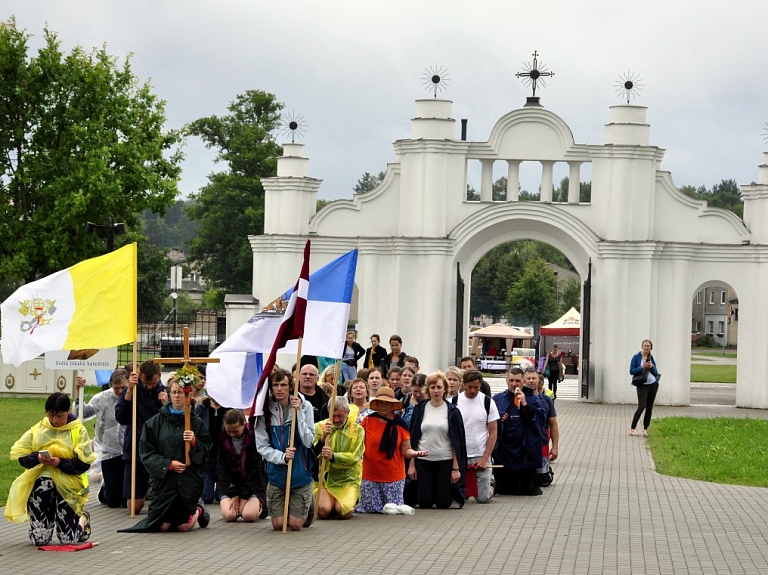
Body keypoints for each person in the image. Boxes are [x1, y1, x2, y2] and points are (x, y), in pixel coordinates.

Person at [120, 377, 213, 532]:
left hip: (186, 482)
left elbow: (207, 451)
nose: (177, 396)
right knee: (161, 526)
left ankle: (198, 509)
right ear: (169, 394)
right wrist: (168, 465)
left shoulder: (195, 422)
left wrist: (195, 442)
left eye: (181, 393)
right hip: (163, 483)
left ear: (187, 395)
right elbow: (146, 453)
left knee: (183, 527)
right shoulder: (155, 422)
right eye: (174, 392)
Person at [6, 392, 96, 545]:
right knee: (39, 541)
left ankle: (82, 520)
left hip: (68, 484)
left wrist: (60, 463)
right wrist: (37, 458)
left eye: (59, 416)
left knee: (68, 540)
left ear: (68, 411)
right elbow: (22, 456)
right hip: (42, 482)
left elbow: (84, 464)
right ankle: (42, 525)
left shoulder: (78, 430)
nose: (54, 420)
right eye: (51, 415)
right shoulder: (39, 429)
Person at [254, 369, 315, 531]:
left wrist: (299, 413)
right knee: (278, 525)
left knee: (295, 525)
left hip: (300, 474)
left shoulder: (305, 406)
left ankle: (307, 505)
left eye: (283, 385)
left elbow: (309, 441)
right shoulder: (264, 411)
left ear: (291, 387)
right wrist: (282, 457)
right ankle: (290, 507)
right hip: (276, 475)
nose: (279, 389)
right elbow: (262, 446)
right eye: (275, 385)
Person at [356, 387, 427, 513]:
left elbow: (406, 450)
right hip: (370, 476)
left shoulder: (401, 424)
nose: (383, 406)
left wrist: (415, 454)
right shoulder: (367, 422)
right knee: (372, 511)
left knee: (393, 510)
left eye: (387, 403)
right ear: (375, 404)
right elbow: (357, 444)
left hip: (393, 477)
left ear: (392, 405)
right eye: (380, 402)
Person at [408, 372, 467, 509]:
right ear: (427, 389)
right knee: (424, 502)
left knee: (443, 503)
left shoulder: (452, 411)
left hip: (444, 460)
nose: (436, 391)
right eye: (432, 387)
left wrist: (455, 468)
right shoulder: (420, 409)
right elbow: (413, 438)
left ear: (445, 389)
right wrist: (412, 464)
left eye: (439, 387)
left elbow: (456, 442)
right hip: (423, 460)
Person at [114, 359, 167, 514]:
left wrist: (166, 404)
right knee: (134, 507)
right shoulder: (132, 390)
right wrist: (129, 391)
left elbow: (172, 421)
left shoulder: (165, 392)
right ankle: (140, 494)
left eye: (153, 383)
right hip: (135, 448)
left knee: (161, 505)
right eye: (146, 382)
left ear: (159, 376)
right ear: (140, 375)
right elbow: (121, 417)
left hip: (157, 449)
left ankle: (154, 494)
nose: (150, 386)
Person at [73, 369, 128, 508]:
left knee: (126, 498)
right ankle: (104, 492)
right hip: (108, 450)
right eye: (116, 388)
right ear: (111, 385)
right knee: (113, 502)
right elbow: (83, 413)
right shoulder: (102, 398)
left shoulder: (133, 397)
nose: (120, 391)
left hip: (128, 448)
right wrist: (79, 393)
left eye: (123, 387)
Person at [492, 367, 546, 496]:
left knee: (526, 486)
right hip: (505, 449)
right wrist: (500, 417)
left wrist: (525, 403)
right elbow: (489, 420)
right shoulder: (498, 399)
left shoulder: (533, 399)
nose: (514, 384)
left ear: (523, 382)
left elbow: (540, 421)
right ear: (506, 381)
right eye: (511, 380)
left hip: (524, 448)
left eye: (517, 381)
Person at [314, 396, 365, 519]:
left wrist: (333, 457)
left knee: (343, 511)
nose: (336, 420)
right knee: (323, 510)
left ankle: (344, 503)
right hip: (325, 480)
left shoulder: (357, 430)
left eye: (340, 416)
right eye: (333, 416)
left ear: (347, 413)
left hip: (348, 479)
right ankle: (326, 503)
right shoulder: (319, 427)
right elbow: (310, 454)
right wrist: (322, 440)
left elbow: (354, 457)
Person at [454, 369, 500, 503]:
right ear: (463, 384)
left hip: (480, 453)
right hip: (460, 455)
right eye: (470, 387)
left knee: (483, 499)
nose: (473, 391)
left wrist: (485, 458)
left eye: (476, 387)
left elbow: (493, 433)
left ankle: (491, 485)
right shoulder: (454, 401)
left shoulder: (488, 402)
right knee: (459, 497)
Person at [217, 409, 266, 523]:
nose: (232, 435)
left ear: (243, 425)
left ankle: (261, 507)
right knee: (230, 516)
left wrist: (244, 496)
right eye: (229, 431)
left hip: (252, 484)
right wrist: (234, 494)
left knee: (248, 516)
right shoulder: (222, 439)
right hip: (230, 485)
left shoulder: (253, 438)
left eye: (235, 431)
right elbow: (222, 469)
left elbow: (255, 470)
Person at [526, 368, 559, 487]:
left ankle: (546, 473)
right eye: (528, 378)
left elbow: (553, 424)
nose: (531, 381)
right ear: (524, 381)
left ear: (538, 380)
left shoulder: (546, 400)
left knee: (542, 481)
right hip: (523, 444)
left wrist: (555, 447)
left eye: (533, 378)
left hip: (542, 442)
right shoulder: (518, 398)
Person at [629, 339, 660, 437]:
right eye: (645, 346)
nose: (646, 347)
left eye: (648, 346)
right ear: (642, 346)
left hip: (652, 385)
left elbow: (656, 372)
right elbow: (632, 371)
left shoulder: (651, 357)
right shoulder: (636, 357)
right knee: (641, 406)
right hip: (642, 385)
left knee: (649, 408)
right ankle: (632, 428)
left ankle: (645, 429)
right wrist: (642, 366)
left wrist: (651, 366)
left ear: (651, 348)